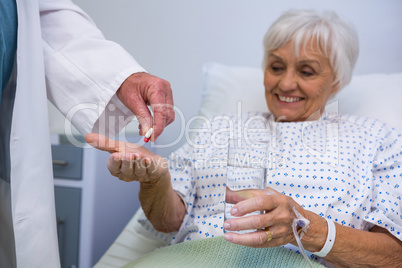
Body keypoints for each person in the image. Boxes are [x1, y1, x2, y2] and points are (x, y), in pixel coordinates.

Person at [86, 9, 402, 267]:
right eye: (277, 67)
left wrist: (304, 229)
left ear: (337, 81)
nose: (286, 83)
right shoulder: (218, 129)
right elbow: (168, 221)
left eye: (306, 72)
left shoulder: (376, 140)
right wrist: (155, 182)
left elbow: (393, 255)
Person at [0, 0, 174, 267]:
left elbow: (40, 21)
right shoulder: (213, 135)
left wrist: (124, 78)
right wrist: (156, 181)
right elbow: (171, 218)